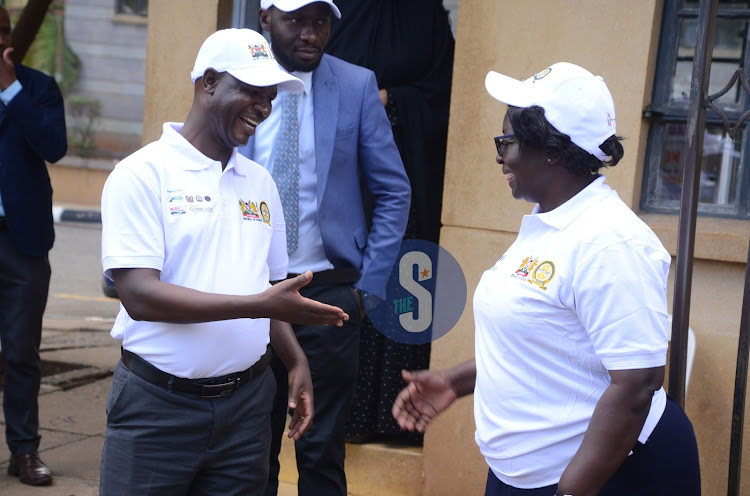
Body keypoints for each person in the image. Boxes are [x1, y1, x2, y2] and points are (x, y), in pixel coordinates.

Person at [392, 62, 701, 496]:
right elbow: (549, 344)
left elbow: (637, 385)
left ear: (552, 150)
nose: (500, 156)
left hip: (603, 477)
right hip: (521, 475)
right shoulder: (548, 223)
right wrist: (456, 381)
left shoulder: (610, 243)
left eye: (508, 142)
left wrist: (571, 491)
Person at [98, 28, 350, 495]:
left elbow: (274, 295)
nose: (263, 107)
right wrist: (259, 304)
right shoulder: (140, 175)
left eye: (269, 96)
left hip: (248, 410)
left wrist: (295, 360)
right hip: (157, 409)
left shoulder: (261, 185)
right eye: (251, 91)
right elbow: (139, 295)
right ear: (209, 82)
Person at [238, 1, 411, 495]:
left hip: (328, 296)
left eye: (321, 22)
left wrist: (366, 290)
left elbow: (393, 189)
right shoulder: (239, 82)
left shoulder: (355, 85)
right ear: (267, 19)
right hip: (249, 297)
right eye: (297, 21)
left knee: (321, 451)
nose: (311, 34)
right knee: (252, 450)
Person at [324, 0, 454, 445]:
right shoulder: (337, 11)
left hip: (407, 173)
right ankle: (338, 414)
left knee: (401, 285)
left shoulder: (423, 14)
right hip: (342, 177)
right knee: (342, 288)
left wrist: (388, 101)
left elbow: (443, 91)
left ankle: (394, 416)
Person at [0, 4, 67, 487]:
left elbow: (53, 145)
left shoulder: (38, 86)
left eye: (1, 31)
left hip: (21, 243)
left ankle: (24, 452)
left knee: (21, 353)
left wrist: (11, 91)